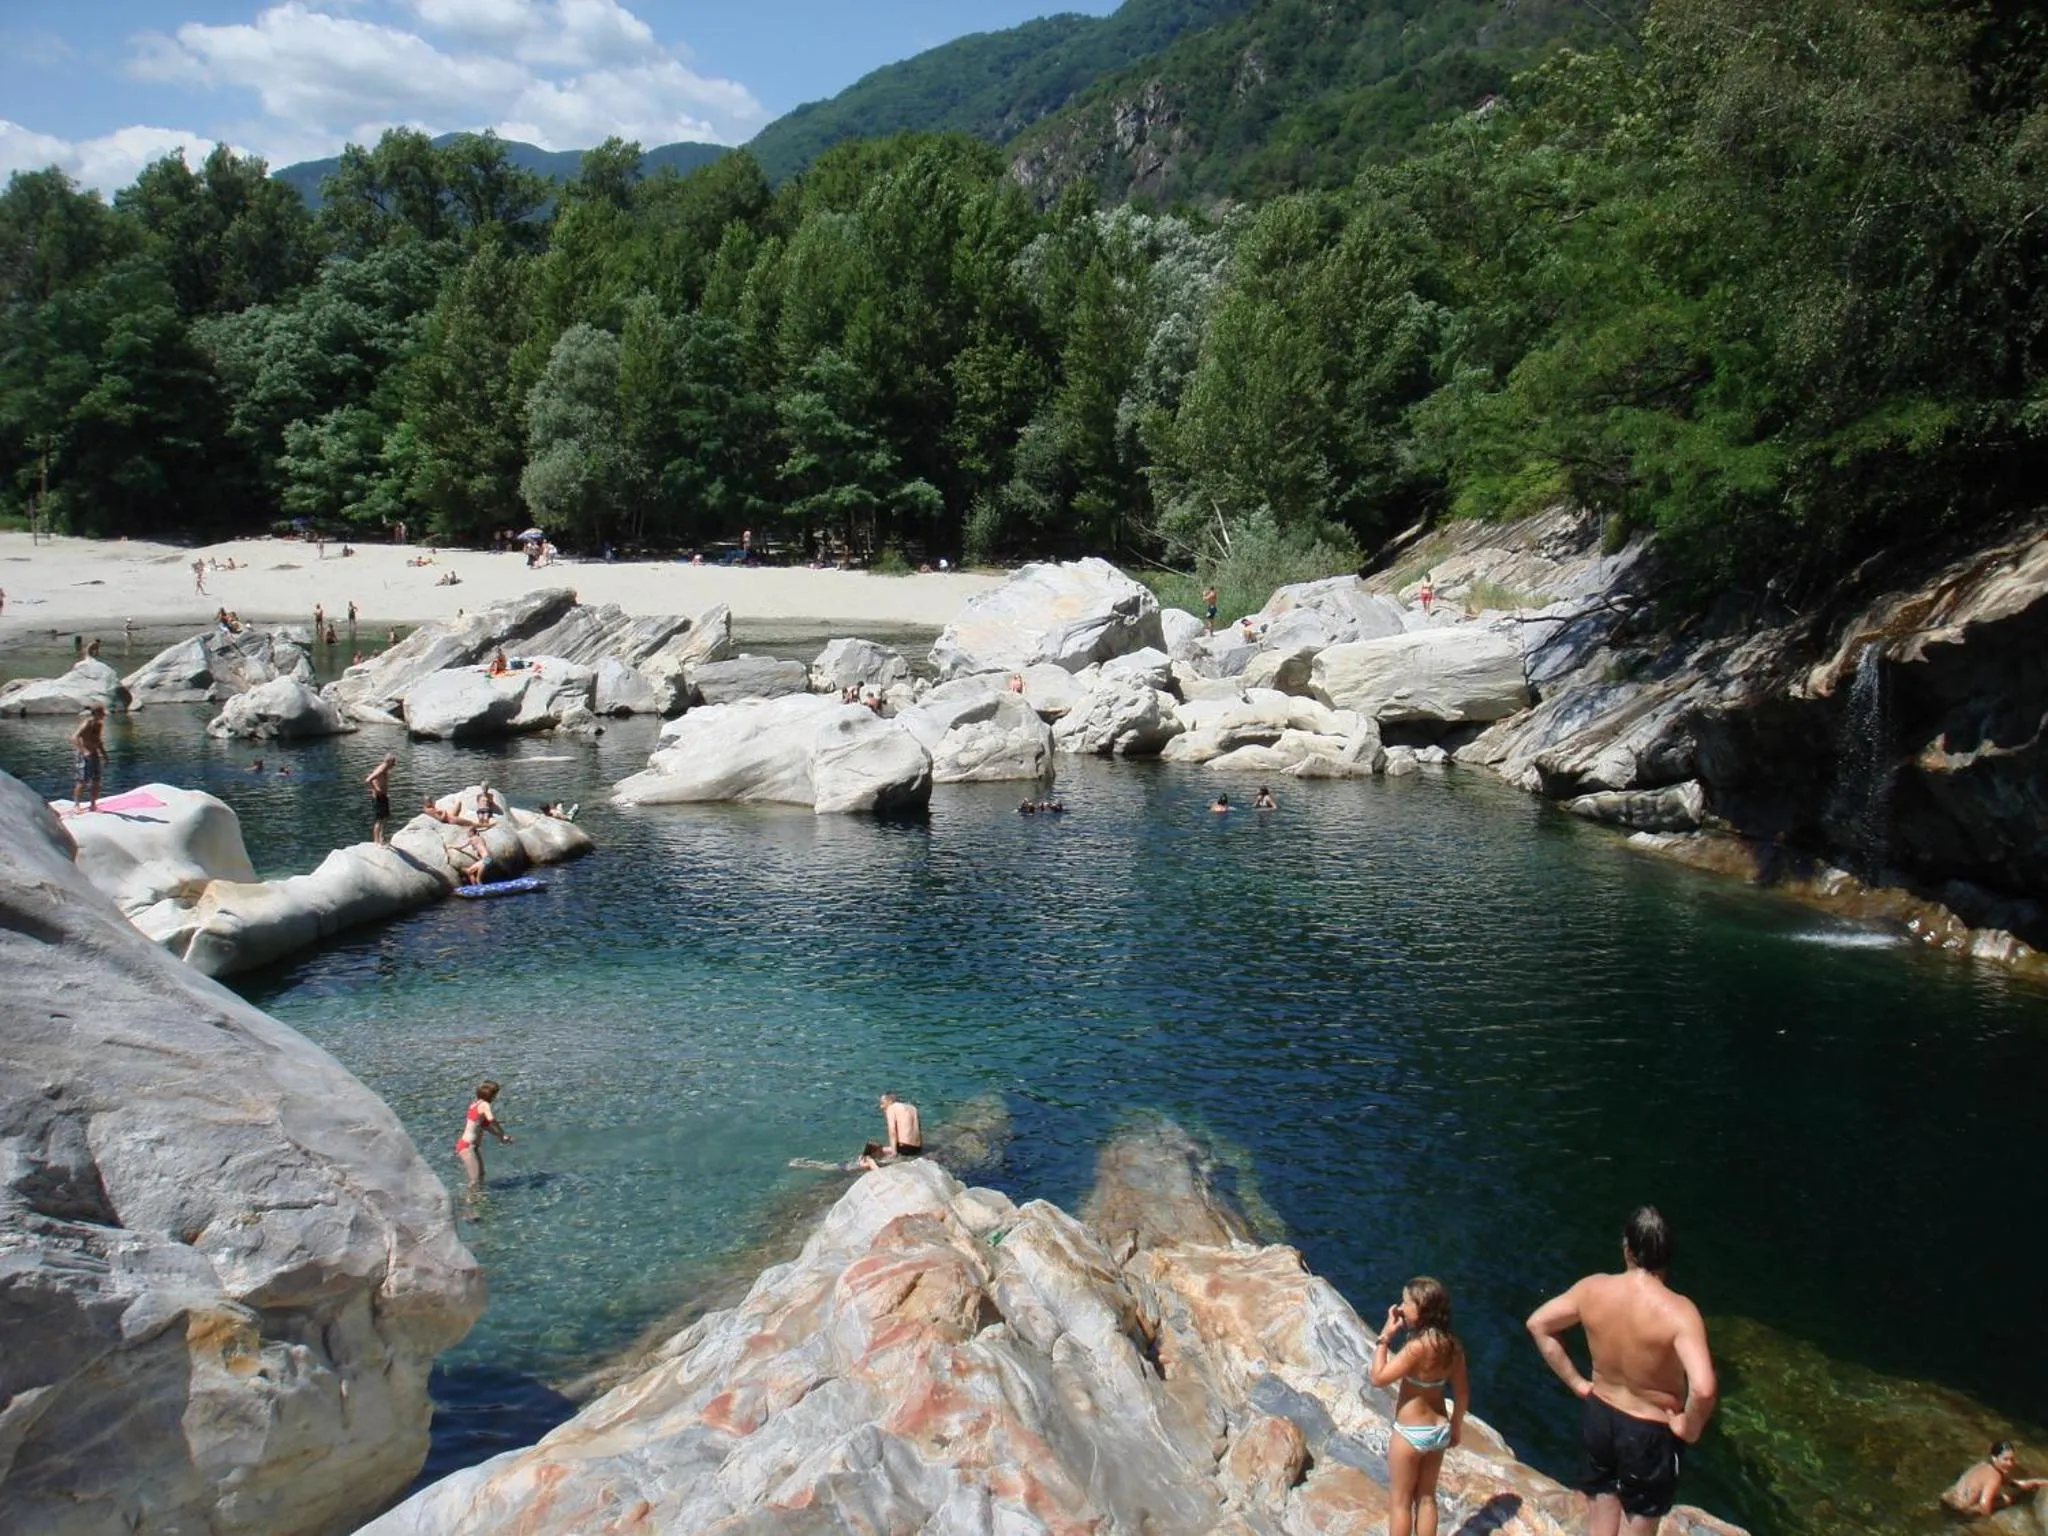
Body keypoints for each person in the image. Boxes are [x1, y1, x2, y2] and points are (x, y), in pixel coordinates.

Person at [1526, 1207, 1717, 1536]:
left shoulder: (1592, 1288)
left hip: (1600, 1416)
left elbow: (1538, 1324)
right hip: (1648, 1432)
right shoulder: (1679, 1312)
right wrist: (1689, 1426)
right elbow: (1703, 1388)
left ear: (1627, 1248)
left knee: (1601, 1518)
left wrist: (1576, 1382)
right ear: (1668, 1253)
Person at [1369, 1277, 1468, 1536]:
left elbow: (1378, 1378)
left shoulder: (1416, 1348)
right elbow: (1462, 1394)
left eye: (1406, 1303)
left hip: (1410, 1433)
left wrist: (1385, 1337)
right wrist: (1456, 1428)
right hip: (1439, 1430)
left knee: (1400, 1502)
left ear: (1422, 1309)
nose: (1401, 1307)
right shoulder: (1453, 1347)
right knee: (1426, 1498)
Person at [1945, 1442, 2045, 1517]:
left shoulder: (1983, 1465)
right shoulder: (1994, 1476)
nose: (2010, 1464)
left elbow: (2016, 1484)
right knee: (2006, 1499)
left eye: (2012, 1459)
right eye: (2005, 1459)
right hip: (1960, 1510)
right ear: (1994, 1458)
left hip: (1947, 1500)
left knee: (2007, 1495)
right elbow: (1984, 1507)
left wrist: (2038, 1482)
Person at [453, 1080, 512, 1189]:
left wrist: (501, 1137)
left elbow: (485, 1126)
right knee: (474, 1180)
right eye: (496, 1094)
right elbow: (491, 1119)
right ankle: (470, 1199)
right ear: (491, 1095)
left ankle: (479, 1197)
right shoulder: (485, 1105)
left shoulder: (475, 1104)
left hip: (471, 1147)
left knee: (481, 1175)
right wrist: (502, 1131)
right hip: (467, 1147)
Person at [858, 1092, 923, 1169]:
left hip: (905, 1149)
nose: (881, 1106)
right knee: (881, 1149)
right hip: (917, 1148)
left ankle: (867, 1163)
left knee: (870, 1150)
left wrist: (894, 1153)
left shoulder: (891, 1108)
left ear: (890, 1101)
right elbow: (918, 1130)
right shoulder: (913, 1108)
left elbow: (892, 1131)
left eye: (882, 1103)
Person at [68, 704, 107, 814]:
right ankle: (76, 805)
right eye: (102, 712)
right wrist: (84, 750)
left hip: (94, 754)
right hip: (84, 755)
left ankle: (93, 805)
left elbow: (98, 741)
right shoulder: (87, 723)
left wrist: (104, 755)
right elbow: (74, 737)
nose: (104, 714)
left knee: (96, 781)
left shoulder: (99, 724)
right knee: (82, 780)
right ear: (96, 713)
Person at [365, 753, 397, 845]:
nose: (394, 765)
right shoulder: (381, 769)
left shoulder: (383, 769)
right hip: (379, 797)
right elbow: (368, 779)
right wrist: (376, 790)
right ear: (389, 762)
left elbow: (375, 779)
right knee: (379, 819)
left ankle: (381, 837)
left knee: (385, 817)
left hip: (383, 796)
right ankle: (376, 841)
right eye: (393, 763)